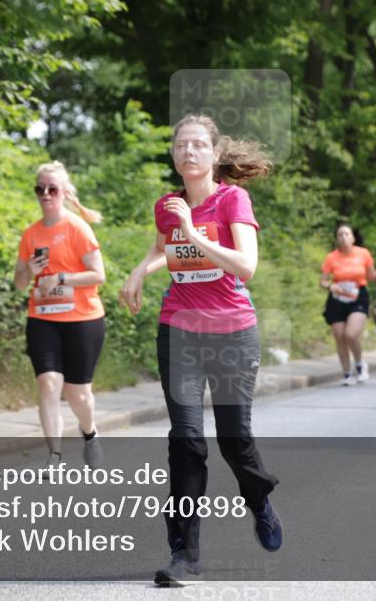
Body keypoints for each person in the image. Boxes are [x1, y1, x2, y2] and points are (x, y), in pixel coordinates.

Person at [119, 114, 282, 587]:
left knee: (234, 440)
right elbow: (162, 250)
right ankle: (183, 553)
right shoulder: (167, 205)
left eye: (197, 145)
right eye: (181, 145)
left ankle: (258, 500)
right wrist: (139, 270)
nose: (188, 152)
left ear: (214, 154)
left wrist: (192, 232)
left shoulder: (233, 199)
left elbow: (246, 266)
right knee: (185, 441)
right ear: (174, 155)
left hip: (232, 333)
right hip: (180, 332)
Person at [14, 162, 106, 471]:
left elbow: (98, 275)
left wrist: (62, 279)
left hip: (82, 318)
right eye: (40, 189)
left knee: (77, 393)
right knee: (49, 384)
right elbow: (19, 283)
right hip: (42, 317)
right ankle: (53, 456)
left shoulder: (78, 228)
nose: (46, 195)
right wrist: (28, 269)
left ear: (65, 193)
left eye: (52, 189)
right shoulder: (31, 234)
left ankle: (89, 433)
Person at [320, 223, 376, 385]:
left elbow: (372, 277)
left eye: (347, 234)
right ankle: (347, 373)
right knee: (339, 336)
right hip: (337, 298)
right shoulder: (331, 257)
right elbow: (323, 281)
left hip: (358, 296)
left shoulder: (363, 254)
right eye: (340, 235)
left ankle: (360, 364)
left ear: (353, 238)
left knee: (351, 334)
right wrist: (330, 285)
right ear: (337, 239)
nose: (344, 237)